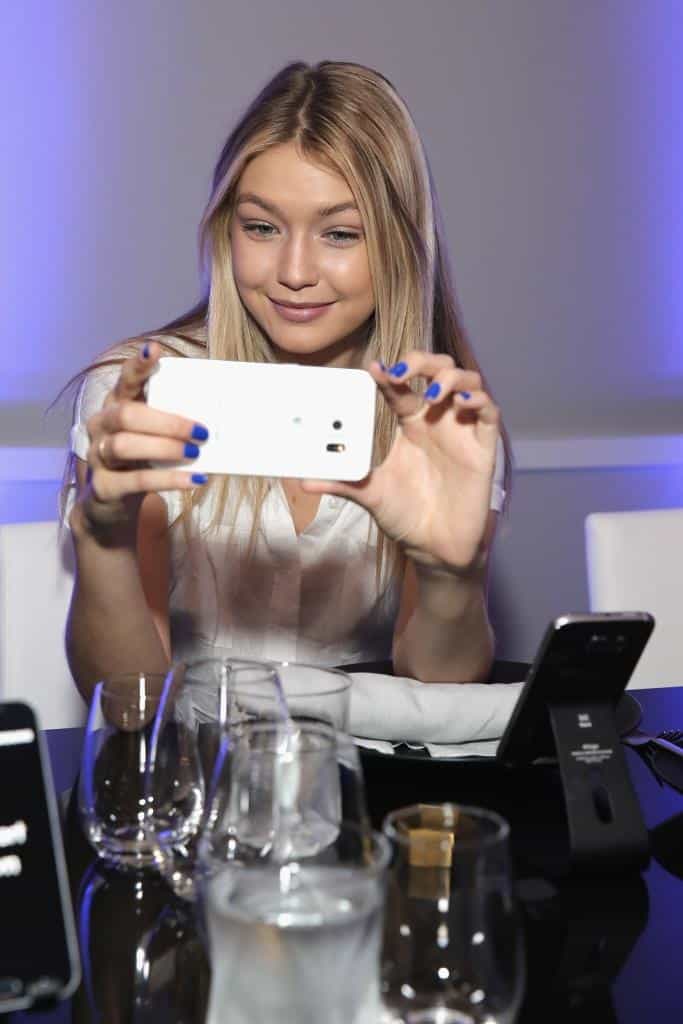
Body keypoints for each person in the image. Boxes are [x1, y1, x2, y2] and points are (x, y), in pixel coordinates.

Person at [63, 60, 510, 702]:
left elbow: (438, 692)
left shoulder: (440, 422)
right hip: (195, 759)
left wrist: (451, 575)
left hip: (351, 762)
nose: (294, 271)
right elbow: (127, 701)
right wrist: (103, 542)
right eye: (262, 227)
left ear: (399, 245)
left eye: (340, 234)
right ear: (227, 232)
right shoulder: (143, 399)